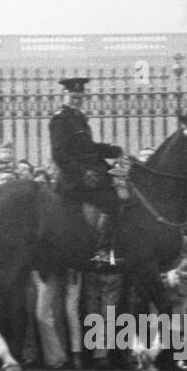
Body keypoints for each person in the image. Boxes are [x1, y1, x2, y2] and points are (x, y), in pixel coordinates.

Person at [48, 77, 124, 264]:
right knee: (113, 201)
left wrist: (112, 150)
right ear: (64, 95)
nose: (77, 100)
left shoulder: (78, 118)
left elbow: (87, 147)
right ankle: (102, 249)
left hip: (89, 173)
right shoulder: (60, 120)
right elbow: (59, 153)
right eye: (73, 96)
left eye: (79, 97)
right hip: (73, 179)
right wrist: (82, 173)